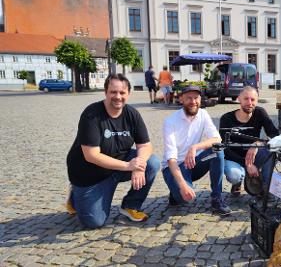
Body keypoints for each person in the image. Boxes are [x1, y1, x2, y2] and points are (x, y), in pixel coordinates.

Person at [65, 74, 160, 229]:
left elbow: (146, 145)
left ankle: (131, 205)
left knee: (152, 162)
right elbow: (91, 155)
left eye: (122, 93)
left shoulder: (132, 114)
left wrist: (139, 164)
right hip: (90, 175)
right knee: (94, 222)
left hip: (118, 165)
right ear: (106, 92)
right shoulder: (92, 114)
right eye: (113, 92)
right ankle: (76, 195)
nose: (118, 97)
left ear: (128, 94)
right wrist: (130, 166)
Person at [162, 85, 231, 215]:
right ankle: (175, 191)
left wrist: (195, 147)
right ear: (181, 99)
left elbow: (217, 139)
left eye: (196, 98)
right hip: (173, 168)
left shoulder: (203, 114)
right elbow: (171, 159)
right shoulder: (170, 121)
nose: (193, 101)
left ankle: (216, 198)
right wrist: (182, 186)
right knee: (184, 198)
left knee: (217, 151)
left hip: (193, 163)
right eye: (189, 98)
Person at [219, 87, 279, 197]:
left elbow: (274, 134)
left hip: (254, 155)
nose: (249, 103)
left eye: (253, 99)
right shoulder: (226, 119)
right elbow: (224, 148)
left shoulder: (260, 112)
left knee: (273, 152)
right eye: (246, 99)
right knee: (235, 175)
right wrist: (248, 164)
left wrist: (257, 144)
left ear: (257, 100)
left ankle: (265, 187)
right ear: (239, 99)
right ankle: (238, 182)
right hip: (233, 157)